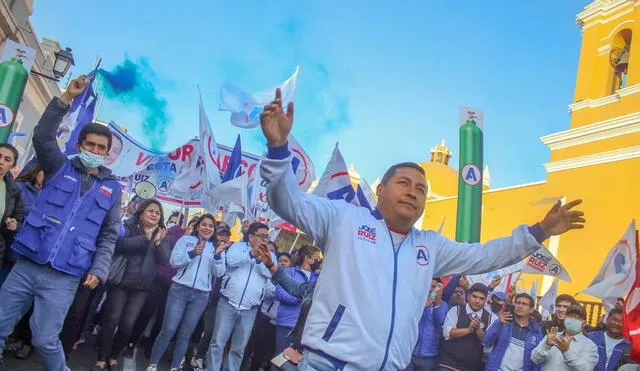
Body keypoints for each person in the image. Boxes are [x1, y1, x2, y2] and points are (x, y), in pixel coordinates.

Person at [258, 88, 585, 370]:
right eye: (403, 183)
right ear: (381, 189)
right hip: (328, 363)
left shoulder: (430, 247)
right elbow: (287, 200)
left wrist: (540, 231)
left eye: (421, 189)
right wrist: (277, 149)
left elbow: (485, 255)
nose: (413, 191)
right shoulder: (344, 220)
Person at [0, 76, 121, 370]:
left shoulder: (113, 189)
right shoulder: (59, 166)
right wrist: (66, 98)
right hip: (27, 265)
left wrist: (99, 268)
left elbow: (108, 235)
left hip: (64, 277)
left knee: (44, 339)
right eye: (89, 143)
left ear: (107, 153)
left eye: (100, 147)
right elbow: (42, 136)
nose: (94, 149)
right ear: (80, 144)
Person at [146, 214, 231, 371]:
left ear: (214, 230)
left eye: (211, 226)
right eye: (204, 225)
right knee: (168, 329)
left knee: (185, 334)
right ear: (198, 227)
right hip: (179, 290)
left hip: (201, 295)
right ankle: (153, 363)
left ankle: (175, 366)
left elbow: (219, 273)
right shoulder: (186, 241)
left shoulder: (216, 248)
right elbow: (174, 261)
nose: (207, 228)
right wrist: (192, 253)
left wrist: (218, 256)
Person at [93, 199, 169, 370]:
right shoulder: (128, 226)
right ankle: (102, 358)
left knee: (128, 325)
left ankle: (114, 356)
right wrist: (146, 237)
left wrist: (157, 243)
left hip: (142, 288)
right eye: (151, 211)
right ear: (141, 213)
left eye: (158, 213)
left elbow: (164, 260)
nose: (155, 215)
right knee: (111, 320)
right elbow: (119, 245)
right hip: (121, 281)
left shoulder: (162, 234)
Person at [206, 222, 276, 371]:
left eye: (267, 237)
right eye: (261, 236)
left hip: (250, 309)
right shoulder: (238, 247)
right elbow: (231, 261)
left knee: (238, 349)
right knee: (218, 342)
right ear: (251, 236)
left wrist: (260, 259)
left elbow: (271, 274)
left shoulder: (271, 257)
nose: (265, 239)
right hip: (227, 303)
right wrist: (251, 254)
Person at [274, 245, 321, 360]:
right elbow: (279, 293)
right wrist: (300, 296)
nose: (318, 261)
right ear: (306, 258)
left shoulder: (319, 277)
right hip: (287, 323)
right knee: (280, 360)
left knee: (294, 364)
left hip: (305, 328)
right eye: (316, 258)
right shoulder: (290, 272)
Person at [438, 283, 496, 371]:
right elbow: (447, 332)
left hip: (472, 366)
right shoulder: (456, 310)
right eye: (474, 296)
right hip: (449, 363)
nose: (477, 301)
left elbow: (488, 343)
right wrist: (468, 330)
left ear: (485, 300)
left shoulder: (491, 318)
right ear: (468, 296)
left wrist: (478, 330)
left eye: (481, 298)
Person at [484, 293, 543, 371]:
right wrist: (498, 323)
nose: (520, 306)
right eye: (518, 303)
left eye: (524, 304)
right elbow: (486, 341)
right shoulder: (503, 323)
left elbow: (536, 362)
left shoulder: (536, 333)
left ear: (531, 309)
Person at [531, 304, 598, 370]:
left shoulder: (590, 346)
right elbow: (535, 359)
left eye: (577, 317)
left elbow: (585, 369)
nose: (573, 319)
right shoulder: (552, 336)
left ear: (584, 323)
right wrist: (546, 345)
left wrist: (566, 351)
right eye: (570, 316)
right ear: (565, 318)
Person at [405, 279, 448, 371]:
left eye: (434, 287)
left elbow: (440, 322)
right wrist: (422, 307)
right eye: (429, 286)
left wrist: (437, 304)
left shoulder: (443, 305)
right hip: (410, 352)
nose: (430, 290)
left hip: (429, 355)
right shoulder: (416, 302)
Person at [0, 143, 24, 285]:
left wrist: (12, 226)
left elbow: (18, 220)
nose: (1, 161)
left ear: (13, 166)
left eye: (7, 159)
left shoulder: (13, 192)